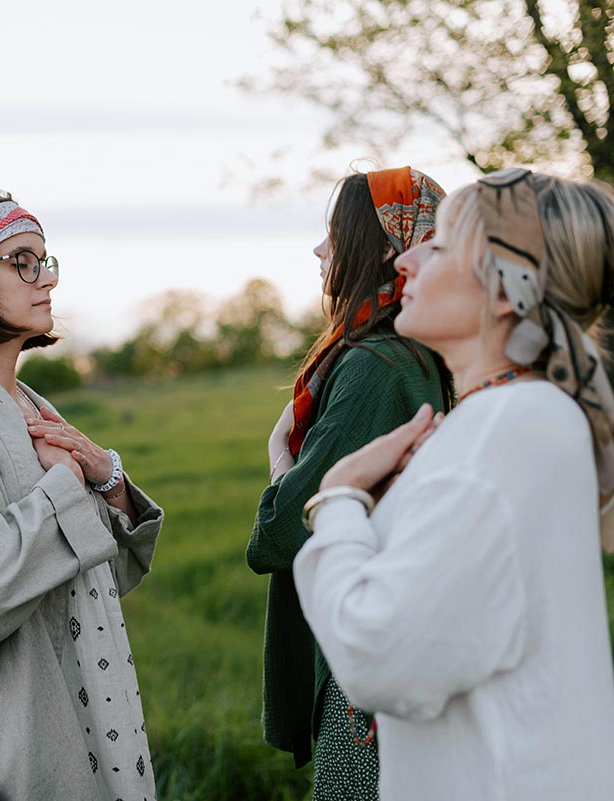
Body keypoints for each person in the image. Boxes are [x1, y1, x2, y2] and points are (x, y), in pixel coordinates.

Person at [294, 168, 614, 801]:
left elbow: (376, 658)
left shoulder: (503, 432)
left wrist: (338, 500)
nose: (406, 259)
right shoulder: (520, 417)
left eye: (438, 245)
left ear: (503, 290)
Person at [0, 187, 164, 801]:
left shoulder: (35, 406)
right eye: (22, 261)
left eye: (46, 260)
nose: (46, 279)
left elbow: (102, 577)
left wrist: (109, 480)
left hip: (93, 697)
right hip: (7, 716)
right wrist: (67, 481)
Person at [246, 167, 451, 799]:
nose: (320, 251)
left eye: (334, 235)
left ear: (388, 248)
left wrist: (282, 453)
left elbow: (282, 533)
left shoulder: (374, 366)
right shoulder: (422, 354)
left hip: (364, 665)